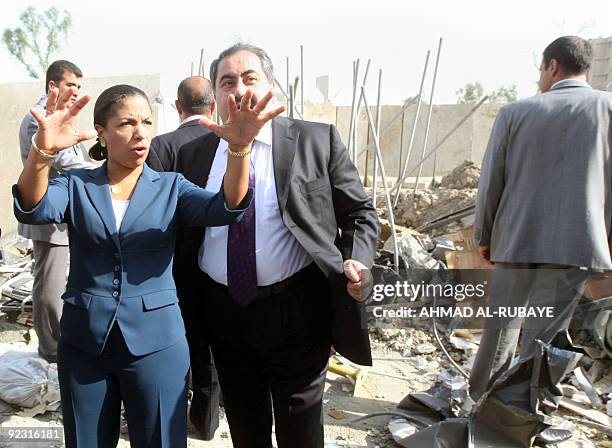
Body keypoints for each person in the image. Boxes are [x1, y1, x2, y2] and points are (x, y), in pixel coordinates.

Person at [13, 82, 283, 447]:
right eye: (126, 123)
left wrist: (239, 149)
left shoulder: (172, 186)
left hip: (156, 344)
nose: (140, 132)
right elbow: (34, 205)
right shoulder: (76, 183)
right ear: (102, 133)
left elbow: (226, 207)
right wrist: (41, 152)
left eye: (146, 121)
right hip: (84, 343)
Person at [175, 43, 379, 448]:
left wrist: (357, 261)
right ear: (215, 96)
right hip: (225, 314)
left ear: (270, 86)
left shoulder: (315, 140)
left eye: (249, 78)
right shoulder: (192, 154)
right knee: (246, 429)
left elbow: (359, 212)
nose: (238, 89)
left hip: (298, 311)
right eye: (226, 81)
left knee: (300, 431)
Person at [470, 36, 612, 401]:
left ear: (552, 66)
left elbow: (491, 181)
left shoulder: (515, 112)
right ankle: (523, 411)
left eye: (540, 70)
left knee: (500, 326)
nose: (539, 79)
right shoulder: (607, 109)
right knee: (544, 335)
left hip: (516, 239)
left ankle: (480, 402)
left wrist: (484, 235)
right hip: (576, 245)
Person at [18, 59, 96, 363]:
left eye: (79, 86)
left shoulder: (61, 115)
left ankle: (57, 344)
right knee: (50, 286)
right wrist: (104, 173)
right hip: (50, 216)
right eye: (70, 85)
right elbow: (67, 163)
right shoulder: (42, 117)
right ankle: (51, 349)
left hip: (60, 214)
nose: (76, 91)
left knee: (57, 281)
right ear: (53, 86)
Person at [146, 76, 216, 172]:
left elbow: (153, 185)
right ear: (213, 107)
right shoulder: (228, 142)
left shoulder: (159, 146)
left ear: (178, 106)